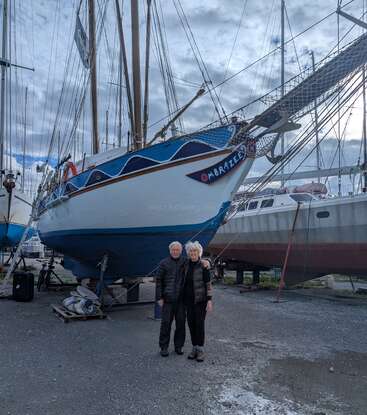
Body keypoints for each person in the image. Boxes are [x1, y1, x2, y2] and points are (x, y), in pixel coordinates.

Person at [182, 241, 213, 362]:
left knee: (199, 325)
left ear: (199, 252)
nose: (193, 253)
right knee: (191, 324)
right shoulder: (185, 265)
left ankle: (200, 350)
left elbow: (208, 285)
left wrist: (209, 301)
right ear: (188, 253)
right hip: (188, 301)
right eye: (190, 251)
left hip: (201, 301)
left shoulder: (203, 266)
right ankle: (194, 347)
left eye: (195, 251)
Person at [156, 241, 186, 357]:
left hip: (181, 300)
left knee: (181, 324)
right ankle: (164, 347)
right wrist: (159, 297)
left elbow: (196, 263)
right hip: (167, 299)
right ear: (170, 251)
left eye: (177, 250)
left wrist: (206, 261)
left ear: (181, 250)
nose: (175, 252)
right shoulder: (163, 263)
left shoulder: (185, 262)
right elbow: (158, 281)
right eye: (173, 250)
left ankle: (179, 346)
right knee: (165, 324)